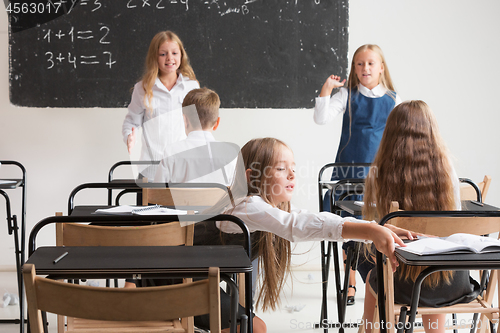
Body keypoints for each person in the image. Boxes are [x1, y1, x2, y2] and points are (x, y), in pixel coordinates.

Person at [194, 137, 416, 333]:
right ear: (252, 178)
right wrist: (370, 230)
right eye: (281, 168)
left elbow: (306, 217)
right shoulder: (246, 206)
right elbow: (296, 225)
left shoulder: (262, 210)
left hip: (195, 279)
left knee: (254, 326)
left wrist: (375, 225)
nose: (292, 174)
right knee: (256, 327)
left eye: (293, 168)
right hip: (178, 281)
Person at [361, 101, 480, 333]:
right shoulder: (448, 173)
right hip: (451, 282)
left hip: (399, 282)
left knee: (373, 279)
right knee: (432, 273)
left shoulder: (379, 174)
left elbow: (377, 231)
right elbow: (452, 223)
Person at [313, 44, 402, 304]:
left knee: (377, 224)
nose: (365, 68)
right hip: (348, 174)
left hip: (380, 178)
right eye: (360, 64)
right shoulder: (347, 95)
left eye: (371, 63)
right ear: (354, 68)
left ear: (381, 67)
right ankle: (349, 282)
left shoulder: (394, 98)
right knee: (348, 225)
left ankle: (377, 278)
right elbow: (321, 119)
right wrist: (327, 90)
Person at [122, 30, 199, 181]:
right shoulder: (142, 88)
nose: (169, 58)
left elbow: (198, 125)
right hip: (151, 169)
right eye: (163, 54)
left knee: (183, 205)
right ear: (154, 57)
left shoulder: (192, 87)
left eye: (174, 53)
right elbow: (131, 122)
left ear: (181, 55)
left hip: (183, 166)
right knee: (152, 205)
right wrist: (129, 137)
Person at [154, 87, 238, 186]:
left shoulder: (171, 151)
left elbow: (157, 192)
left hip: (181, 201)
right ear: (217, 123)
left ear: (185, 120)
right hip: (218, 202)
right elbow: (236, 195)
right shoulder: (230, 154)